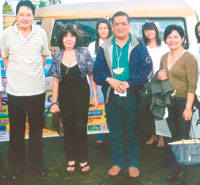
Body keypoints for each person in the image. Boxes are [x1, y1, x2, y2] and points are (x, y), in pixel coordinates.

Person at [93, 11, 152, 178]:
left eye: (123, 24)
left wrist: (129, 82)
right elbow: (97, 72)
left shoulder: (138, 44)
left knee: (131, 130)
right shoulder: (105, 47)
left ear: (129, 25)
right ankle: (117, 162)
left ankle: (132, 163)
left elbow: (147, 68)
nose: (120, 27)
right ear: (112, 26)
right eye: (116, 24)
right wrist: (109, 80)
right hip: (112, 95)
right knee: (115, 130)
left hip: (132, 94)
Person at [0, 0, 50, 180]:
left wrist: (32, 73)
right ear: (16, 15)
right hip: (15, 91)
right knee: (16, 132)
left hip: (37, 90)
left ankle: (37, 166)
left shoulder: (41, 33)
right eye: (21, 14)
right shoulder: (6, 34)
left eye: (28, 14)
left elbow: (44, 57)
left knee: (36, 131)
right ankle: (17, 167)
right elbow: (5, 58)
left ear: (33, 16)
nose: (24, 18)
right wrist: (18, 74)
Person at [49, 24, 99, 173]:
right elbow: (56, 81)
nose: (69, 39)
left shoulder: (84, 53)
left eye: (72, 36)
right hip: (65, 96)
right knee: (68, 128)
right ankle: (71, 159)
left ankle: (83, 159)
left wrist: (95, 95)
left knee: (80, 127)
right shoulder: (57, 55)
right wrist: (54, 102)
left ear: (76, 38)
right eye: (66, 36)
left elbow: (91, 75)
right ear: (62, 39)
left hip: (81, 95)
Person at [158, 25, 198, 184]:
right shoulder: (163, 57)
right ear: (166, 39)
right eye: (169, 37)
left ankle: (182, 171)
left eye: (176, 37)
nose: (172, 40)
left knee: (183, 137)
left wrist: (188, 108)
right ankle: (176, 167)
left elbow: (192, 85)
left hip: (183, 102)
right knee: (173, 136)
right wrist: (159, 76)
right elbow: (161, 78)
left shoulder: (189, 58)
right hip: (168, 102)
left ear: (182, 39)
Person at [142, 22, 169, 147]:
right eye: (146, 30)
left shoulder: (163, 46)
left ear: (156, 31)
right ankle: (152, 135)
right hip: (147, 82)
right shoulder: (143, 47)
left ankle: (161, 136)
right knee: (149, 109)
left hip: (161, 80)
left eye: (151, 30)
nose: (149, 32)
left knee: (160, 109)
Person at [88, 18, 112, 144]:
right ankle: (100, 135)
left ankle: (112, 133)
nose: (103, 31)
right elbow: (91, 70)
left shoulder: (114, 42)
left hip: (113, 82)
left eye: (105, 28)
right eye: (100, 28)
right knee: (98, 107)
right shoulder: (92, 46)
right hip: (97, 82)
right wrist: (95, 90)